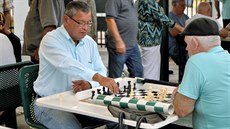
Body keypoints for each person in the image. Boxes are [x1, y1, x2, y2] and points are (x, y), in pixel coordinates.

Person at [33, 1, 119, 129]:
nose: (85, 28)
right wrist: (97, 78)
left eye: (88, 23)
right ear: (66, 19)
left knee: (118, 119)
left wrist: (90, 84)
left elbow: (101, 69)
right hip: (49, 103)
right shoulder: (50, 40)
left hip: (79, 100)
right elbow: (67, 64)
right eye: (81, 23)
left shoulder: (89, 43)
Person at [172, 18, 230, 129]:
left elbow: (182, 110)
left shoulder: (196, 61)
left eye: (187, 44)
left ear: (195, 43)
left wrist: (177, 92)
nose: (187, 48)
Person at [137, 0, 184, 80]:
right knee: (151, 69)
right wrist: (183, 29)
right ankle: (150, 87)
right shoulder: (149, 2)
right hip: (151, 39)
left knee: (148, 66)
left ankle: (148, 86)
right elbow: (165, 19)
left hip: (146, 38)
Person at [105, 0, 143, 78]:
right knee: (116, 77)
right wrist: (118, 41)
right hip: (118, 45)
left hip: (132, 45)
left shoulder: (133, 1)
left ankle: (132, 90)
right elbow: (110, 20)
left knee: (138, 73)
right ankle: (115, 90)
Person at [168, 0, 189, 81]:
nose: (184, 7)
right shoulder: (169, 17)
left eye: (185, 5)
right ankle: (183, 80)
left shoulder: (186, 17)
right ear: (174, 5)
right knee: (184, 54)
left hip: (184, 45)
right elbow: (173, 32)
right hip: (172, 46)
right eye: (182, 5)